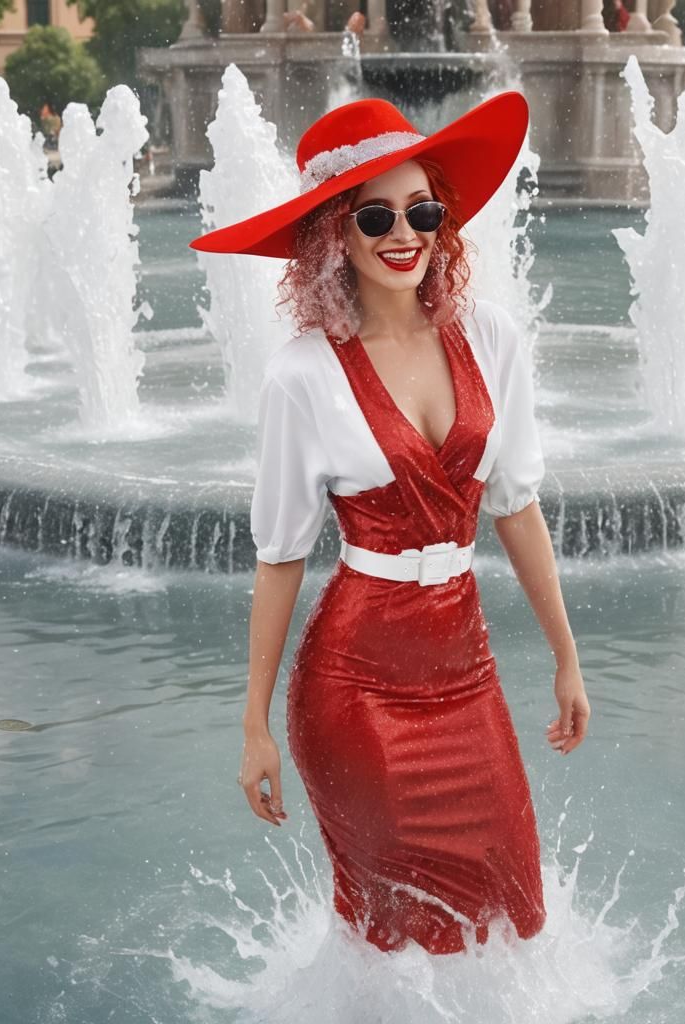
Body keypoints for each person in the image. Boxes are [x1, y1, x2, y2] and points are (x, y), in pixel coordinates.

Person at [189, 91, 591, 956]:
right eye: (376, 217)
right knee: (394, 940)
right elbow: (281, 557)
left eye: (423, 210)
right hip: (356, 689)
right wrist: (255, 725)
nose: (404, 234)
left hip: (467, 669)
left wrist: (566, 655)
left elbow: (516, 506)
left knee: (515, 911)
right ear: (335, 233)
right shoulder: (302, 375)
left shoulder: (491, 336)